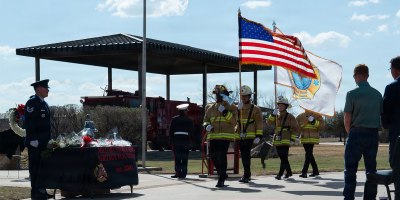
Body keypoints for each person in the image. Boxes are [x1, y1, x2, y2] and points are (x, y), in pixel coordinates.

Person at [343, 64, 382, 200]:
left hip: (356, 132)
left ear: (357, 75)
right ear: (367, 76)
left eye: (354, 76)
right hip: (372, 134)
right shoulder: (377, 95)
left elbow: (347, 117)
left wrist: (350, 133)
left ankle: (349, 198)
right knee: (371, 170)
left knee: (350, 170)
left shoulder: (351, 94)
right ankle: (370, 198)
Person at [23, 79, 53, 200]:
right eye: (46, 88)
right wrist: (32, 140)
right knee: (35, 168)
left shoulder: (44, 103)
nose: (47, 90)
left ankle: (42, 190)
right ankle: (36, 193)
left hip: (43, 142)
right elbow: (29, 123)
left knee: (43, 168)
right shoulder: (32, 102)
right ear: (39, 89)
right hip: (35, 143)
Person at [203, 85, 238, 187]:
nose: (217, 96)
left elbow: (234, 121)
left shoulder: (231, 107)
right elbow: (205, 120)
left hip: (225, 137)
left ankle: (221, 179)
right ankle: (222, 173)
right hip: (213, 136)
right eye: (216, 94)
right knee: (213, 157)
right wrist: (206, 126)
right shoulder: (210, 108)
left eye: (219, 94)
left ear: (224, 95)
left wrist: (225, 112)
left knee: (221, 156)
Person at [267, 96, 299, 180]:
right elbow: (269, 123)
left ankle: (280, 174)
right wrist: (272, 115)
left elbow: (295, 128)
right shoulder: (276, 116)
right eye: (279, 105)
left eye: (282, 105)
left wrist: (292, 139)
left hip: (286, 140)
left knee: (283, 157)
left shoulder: (290, 116)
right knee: (282, 157)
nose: (280, 107)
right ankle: (289, 172)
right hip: (277, 140)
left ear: (286, 106)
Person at [236, 85, 263, 183]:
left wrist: (259, 135)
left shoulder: (256, 109)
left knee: (246, 155)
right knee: (243, 155)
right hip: (239, 135)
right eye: (242, 96)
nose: (243, 98)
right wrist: (236, 110)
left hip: (250, 135)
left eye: (245, 96)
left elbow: (259, 122)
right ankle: (247, 174)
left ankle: (247, 175)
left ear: (249, 96)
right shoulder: (238, 108)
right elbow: (234, 120)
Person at [382, 56, 400, 199]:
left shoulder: (392, 87)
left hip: (397, 135)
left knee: (398, 168)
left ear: (395, 70)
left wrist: (385, 125)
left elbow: (385, 112)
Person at [296, 110, 324, 178]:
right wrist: (296, 135)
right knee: (309, 154)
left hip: (313, 138)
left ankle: (304, 172)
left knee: (308, 154)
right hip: (304, 138)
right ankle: (315, 171)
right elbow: (296, 127)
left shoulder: (317, 115)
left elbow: (321, 126)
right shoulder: (300, 116)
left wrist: (313, 121)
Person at [169, 103, 194, 179]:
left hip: (176, 140)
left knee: (177, 158)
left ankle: (178, 173)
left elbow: (171, 131)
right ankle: (183, 173)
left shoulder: (174, 119)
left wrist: (171, 141)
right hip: (185, 140)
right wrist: (191, 142)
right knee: (184, 158)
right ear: (185, 111)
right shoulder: (189, 120)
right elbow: (192, 132)